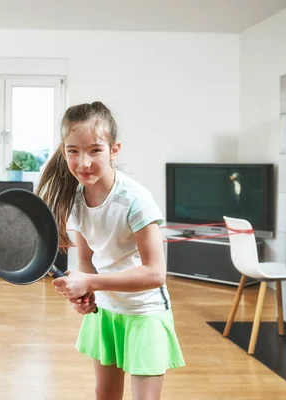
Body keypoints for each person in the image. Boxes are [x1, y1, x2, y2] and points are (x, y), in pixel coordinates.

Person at [36, 101, 185, 399]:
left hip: (145, 313)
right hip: (106, 312)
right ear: (63, 150)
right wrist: (85, 297)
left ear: (114, 150)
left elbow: (156, 273)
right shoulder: (75, 199)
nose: (83, 162)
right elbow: (87, 261)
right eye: (73, 151)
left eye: (95, 150)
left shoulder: (135, 200)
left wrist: (90, 283)